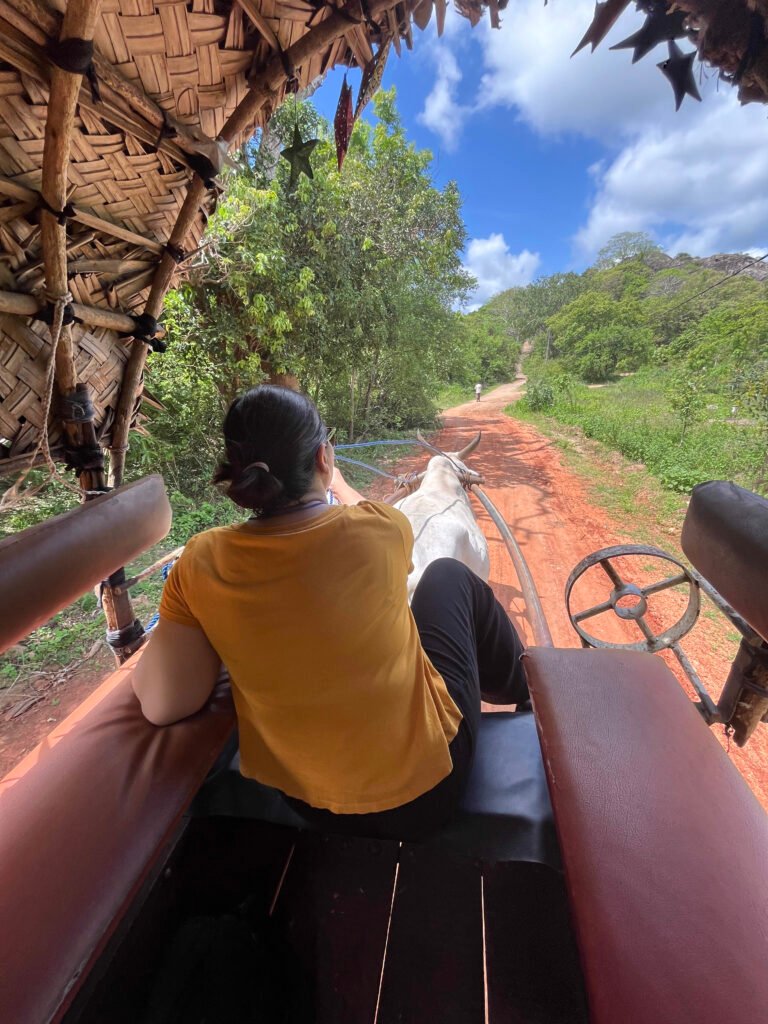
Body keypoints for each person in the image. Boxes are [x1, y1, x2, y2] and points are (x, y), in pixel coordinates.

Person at [131, 385, 527, 839]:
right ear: (323, 456)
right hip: (430, 790)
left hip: (306, 800)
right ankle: (526, 689)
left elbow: (164, 706)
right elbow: (370, 516)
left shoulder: (201, 561)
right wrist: (334, 480)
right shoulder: (382, 529)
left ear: (237, 473)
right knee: (447, 576)